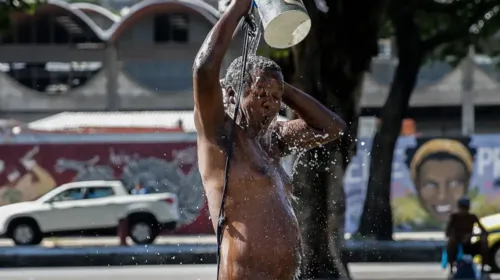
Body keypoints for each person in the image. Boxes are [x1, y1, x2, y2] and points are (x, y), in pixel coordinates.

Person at [192, 0, 346, 279]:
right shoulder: (219, 134)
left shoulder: (273, 139)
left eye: (276, 98)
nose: (270, 105)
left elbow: (332, 128)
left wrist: (281, 86)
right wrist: (240, 6)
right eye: (261, 94)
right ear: (232, 94)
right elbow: (203, 70)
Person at [446, 197, 489, 274]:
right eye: (462, 208)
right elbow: (447, 233)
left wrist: (472, 235)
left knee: (484, 242)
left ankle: (483, 267)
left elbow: (484, 231)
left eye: (465, 208)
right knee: (451, 242)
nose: (463, 211)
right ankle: (452, 268)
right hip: (457, 245)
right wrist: (457, 236)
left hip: (469, 244)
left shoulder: (472, 217)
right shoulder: (454, 217)